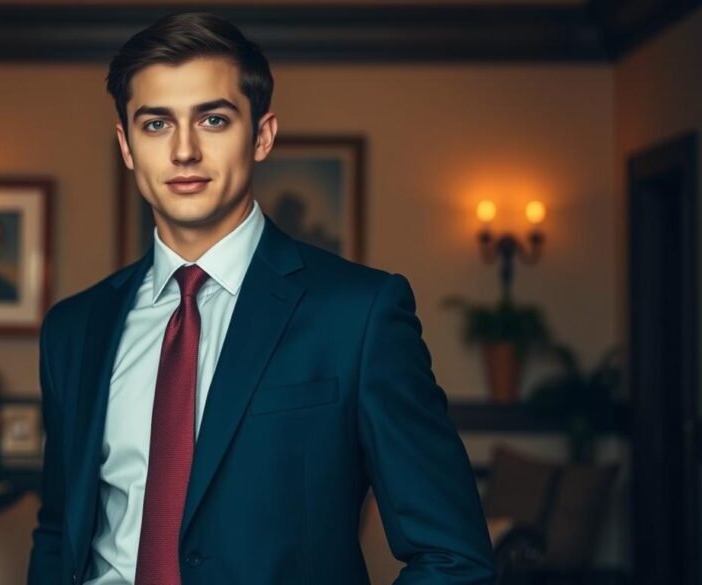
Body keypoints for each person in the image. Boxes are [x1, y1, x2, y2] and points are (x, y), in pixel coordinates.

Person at [28, 12, 495, 585]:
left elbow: (454, 557)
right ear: (126, 145)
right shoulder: (73, 329)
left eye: (214, 119)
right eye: (155, 124)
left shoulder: (360, 315)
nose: (183, 151)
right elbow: (59, 532)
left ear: (263, 135)